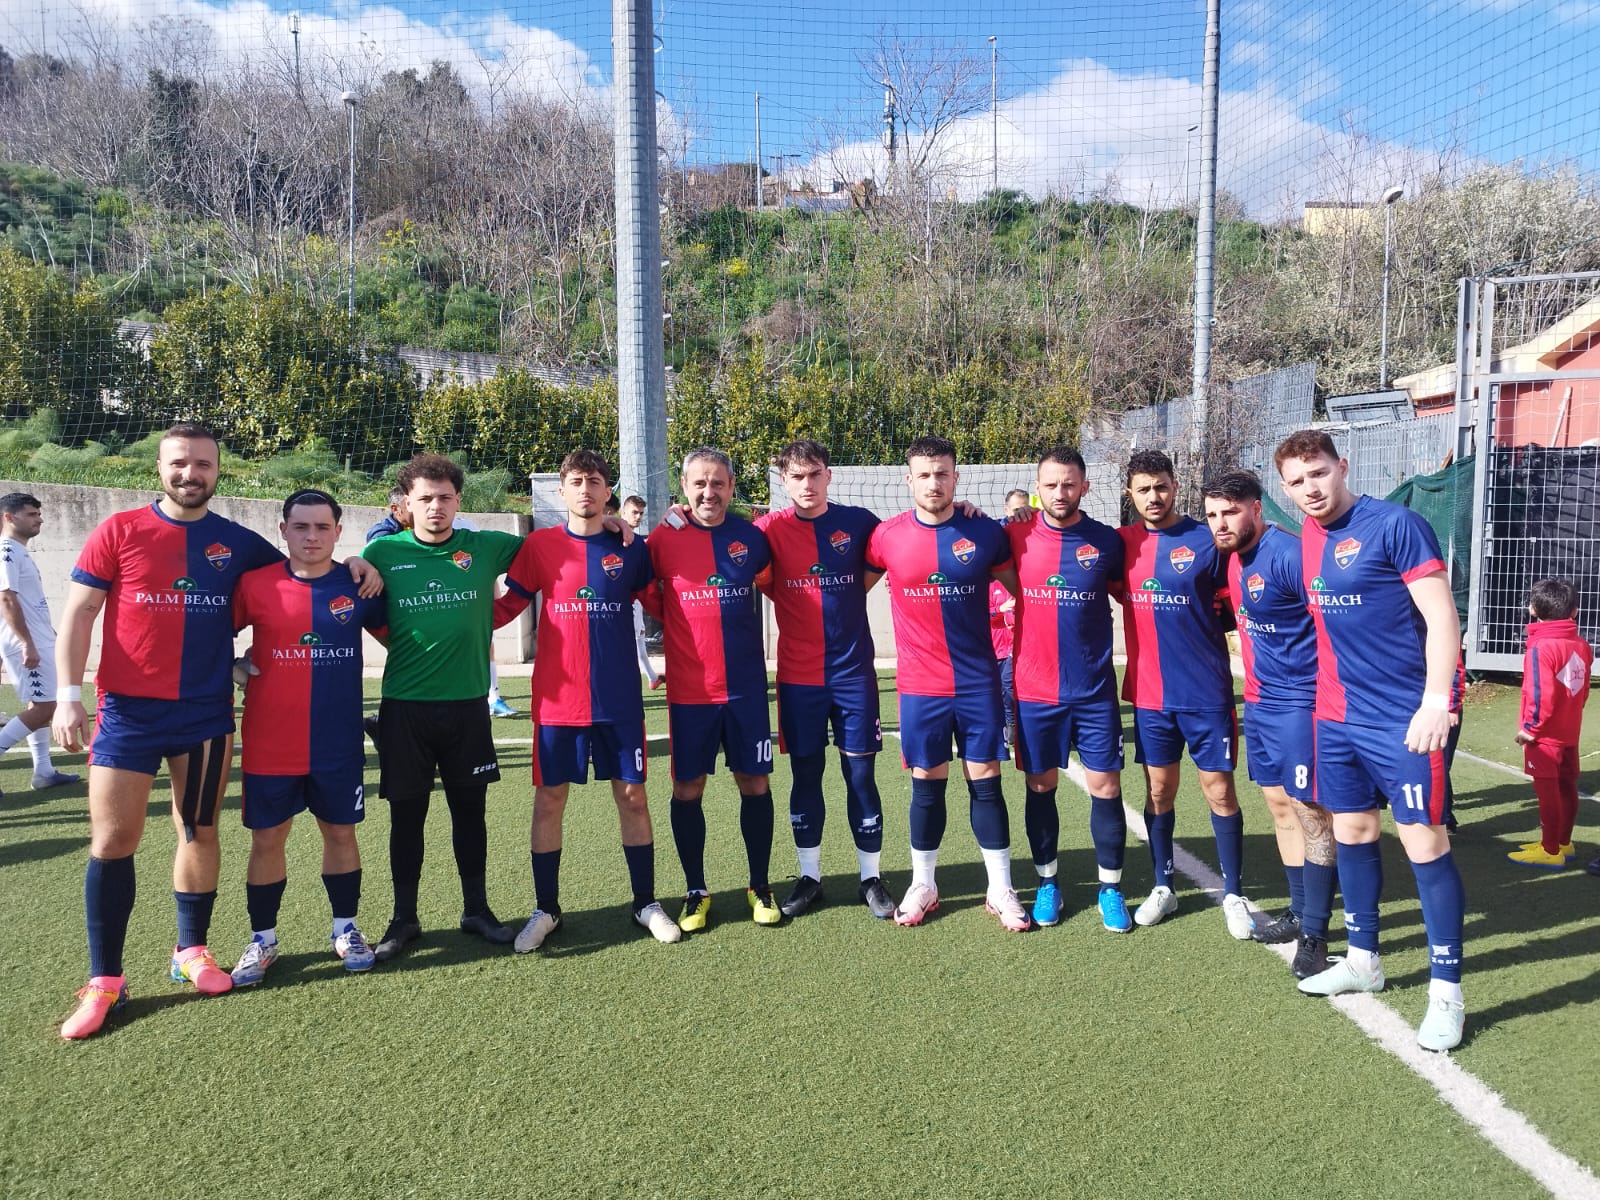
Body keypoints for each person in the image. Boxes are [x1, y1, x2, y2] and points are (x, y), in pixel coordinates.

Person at [52, 423, 381, 1039]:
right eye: (180, 463)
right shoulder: (117, 531)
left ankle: (190, 951)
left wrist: (361, 559)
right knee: (113, 840)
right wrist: (69, 696)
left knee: (198, 831)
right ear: (159, 466)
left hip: (204, 716)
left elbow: (302, 572)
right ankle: (104, 981)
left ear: (217, 470)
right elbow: (79, 614)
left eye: (202, 464)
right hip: (128, 714)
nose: (190, 474)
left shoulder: (240, 545)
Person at [1275, 429, 1468, 1052]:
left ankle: (1447, 994)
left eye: (1319, 473)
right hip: (1334, 719)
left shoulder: (1396, 525)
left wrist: (1437, 702)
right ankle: (1364, 958)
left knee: (1424, 844)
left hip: (1401, 719)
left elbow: (1442, 617)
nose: (1311, 488)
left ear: (1342, 467)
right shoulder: (1305, 536)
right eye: (1297, 480)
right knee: (1352, 832)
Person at [501, 451, 680, 951]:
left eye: (594, 482)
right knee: (550, 799)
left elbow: (664, 604)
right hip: (558, 704)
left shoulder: (631, 548)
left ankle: (645, 902)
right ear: (562, 491)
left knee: (632, 797)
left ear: (608, 492)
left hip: (619, 701)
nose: (585, 489)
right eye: (576, 481)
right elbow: (507, 606)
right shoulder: (538, 546)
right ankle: (547, 909)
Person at [360, 454, 525, 961]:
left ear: (459, 501)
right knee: (406, 818)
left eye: (445, 497)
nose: (436, 506)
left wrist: (605, 521)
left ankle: (475, 909)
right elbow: (364, 609)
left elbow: (551, 554)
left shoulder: (485, 546)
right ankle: (403, 919)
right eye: (425, 498)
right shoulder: (382, 552)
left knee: (469, 813)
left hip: (468, 706)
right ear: (406, 504)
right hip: (405, 707)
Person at [864, 435, 1030, 931]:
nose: (933, 482)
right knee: (926, 787)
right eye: (924, 474)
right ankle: (924, 883)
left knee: (986, 785)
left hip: (978, 683)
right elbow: (845, 590)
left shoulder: (986, 534)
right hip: (919, 687)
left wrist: (1024, 516)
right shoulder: (885, 537)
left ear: (956, 478)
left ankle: (1000, 888)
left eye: (942, 473)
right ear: (908, 480)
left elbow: (1028, 586)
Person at [228, 489, 388, 985]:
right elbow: (209, 636)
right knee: (268, 839)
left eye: (323, 527)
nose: (312, 536)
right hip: (269, 742)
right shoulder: (254, 585)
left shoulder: (360, 585)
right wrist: (231, 665)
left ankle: (346, 929)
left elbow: (405, 639)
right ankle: (263, 939)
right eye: (302, 527)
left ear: (339, 533)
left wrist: (368, 563)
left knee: (340, 833)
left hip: (337, 743)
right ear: (284, 530)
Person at [1202, 469, 1337, 979]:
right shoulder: (1233, 558)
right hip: (1258, 701)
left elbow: (1331, 623)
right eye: (1213, 514)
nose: (1220, 523)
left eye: (1230, 512)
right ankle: (1300, 911)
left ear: (1257, 509)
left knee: (1311, 813)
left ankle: (1318, 935)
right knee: (1280, 805)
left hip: (1302, 705)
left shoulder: (1290, 554)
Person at [754, 439, 896, 920]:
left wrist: (965, 507)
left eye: (814, 473)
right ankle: (810, 877)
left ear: (828, 475)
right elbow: (719, 542)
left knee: (860, 775)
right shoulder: (768, 530)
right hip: (799, 679)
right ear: (784, 481)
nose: (806, 484)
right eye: (796, 476)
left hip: (853, 675)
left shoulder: (858, 524)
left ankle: (870, 878)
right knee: (805, 775)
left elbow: (898, 544)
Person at [1117, 449, 1253, 938]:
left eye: (1161, 486)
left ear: (1175, 486)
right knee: (1158, 790)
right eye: (1143, 488)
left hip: (1207, 694)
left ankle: (1234, 892)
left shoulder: (1207, 539)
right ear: (1129, 494)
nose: (1154, 497)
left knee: (1218, 789)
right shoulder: (1121, 545)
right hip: (1151, 697)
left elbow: (1233, 599)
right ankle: (1162, 886)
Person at [643, 447, 779, 931]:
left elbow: (771, 581)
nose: (708, 492)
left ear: (732, 485)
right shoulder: (663, 537)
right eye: (699, 483)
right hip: (690, 693)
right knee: (687, 787)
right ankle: (696, 891)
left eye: (718, 483)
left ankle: (760, 884)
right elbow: (644, 587)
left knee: (755, 783)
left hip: (745, 690)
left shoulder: (752, 537)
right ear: (684, 486)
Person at [1006, 447, 1134, 932]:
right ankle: (1047, 882)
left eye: (1069, 484)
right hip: (1036, 691)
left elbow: (1136, 590)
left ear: (1084, 487)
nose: (1060, 493)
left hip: (1093, 691)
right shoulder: (1014, 534)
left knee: (1106, 786)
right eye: (1051, 484)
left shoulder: (1107, 541)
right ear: (1037, 488)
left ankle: (1111, 888)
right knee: (1041, 787)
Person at [1509, 578, 1591, 869]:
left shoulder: (1539, 647)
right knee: (1567, 785)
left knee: (1547, 791)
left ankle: (1550, 849)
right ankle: (1563, 842)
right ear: (1575, 611)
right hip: (1570, 728)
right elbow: (1582, 689)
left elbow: (1540, 692)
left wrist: (1530, 729)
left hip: (1545, 735)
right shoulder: (1581, 644)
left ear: (1533, 610)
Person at [0, 492, 79, 791]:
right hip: (27, 643)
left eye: (38, 514)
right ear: (9, 517)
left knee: (40, 704)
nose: (39, 519)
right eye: (31, 514)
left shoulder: (17, 551)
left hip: (37, 639)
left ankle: (43, 772)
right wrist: (26, 643)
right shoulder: (6, 550)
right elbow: (6, 598)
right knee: (47, 708)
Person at [989, 578, 1016, 752]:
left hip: (1014, 647)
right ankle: (1003, 725)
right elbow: (977, 613)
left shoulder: (1014, 582)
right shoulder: (987, 585)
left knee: (1008, 686)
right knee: (997, 690)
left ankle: (1013, 723)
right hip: (993, 647)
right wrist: (1000, 609)